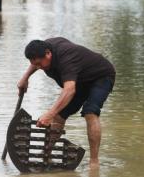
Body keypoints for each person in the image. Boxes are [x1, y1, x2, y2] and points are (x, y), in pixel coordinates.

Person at [18, 37, 116, 168]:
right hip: (79, 80)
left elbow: (69, 90)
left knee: (90, 112)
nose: (38, 67)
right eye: (35, 64)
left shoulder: (67, 58)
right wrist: (25, 78)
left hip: (100, 77)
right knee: (59, 115)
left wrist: (49, 114)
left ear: (48, 53)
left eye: (40, 64)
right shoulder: (42, 48)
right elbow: (35, 61)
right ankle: (46, 154)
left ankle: (94, 162)